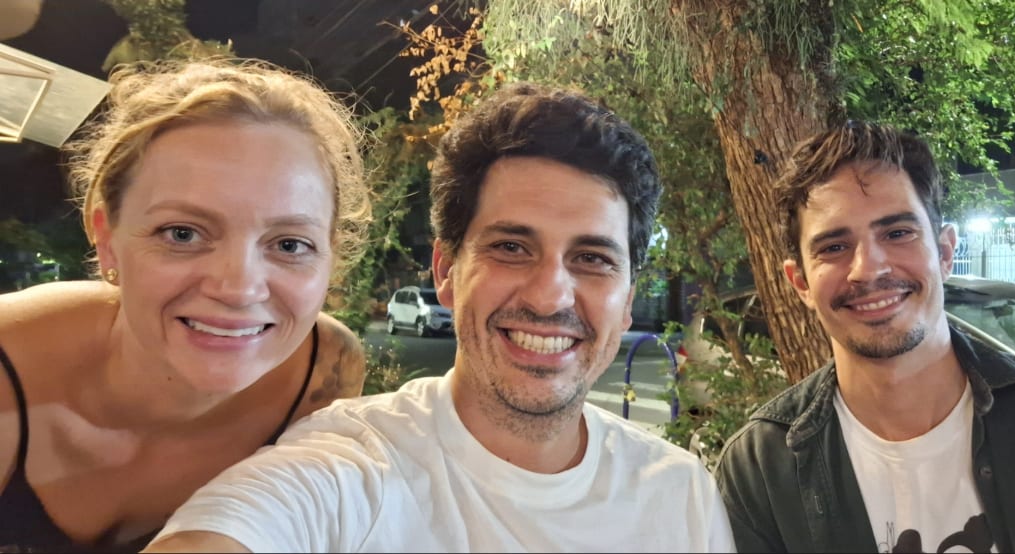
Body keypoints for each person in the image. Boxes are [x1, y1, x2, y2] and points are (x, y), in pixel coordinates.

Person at [143, 82, 735, 553]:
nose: (552, 296)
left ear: (628, 297)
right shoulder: (354, 469)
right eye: (510, 247)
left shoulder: (680, 493)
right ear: (447, 272)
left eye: (592, 259)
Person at [715, 122, 1015, 552]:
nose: (869, 268)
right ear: (799, 281)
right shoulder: (761, 472)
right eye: (835, 246)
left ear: (945, 252)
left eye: (898, 233)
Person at [0, 58, 370, 552]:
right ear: (107, 239)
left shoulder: (325, 370)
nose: (238, 289)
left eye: (289, 244)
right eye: (182, 233)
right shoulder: (8, 373)